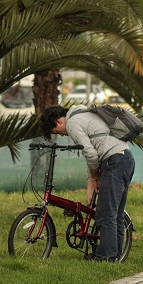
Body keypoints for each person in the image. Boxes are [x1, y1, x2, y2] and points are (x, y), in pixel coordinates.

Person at [40, 105, 134, 262]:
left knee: (106, 213)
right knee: (115, 213)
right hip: (125, 158)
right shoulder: (81, 114)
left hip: (114, 161)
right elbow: (92, 152)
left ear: (58, 121)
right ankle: (115, 255)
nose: (62, 136)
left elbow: (90, 154)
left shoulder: (72, 123)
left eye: (57, 132)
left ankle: (106, 257)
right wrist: (92, 179)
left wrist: (94, 177)